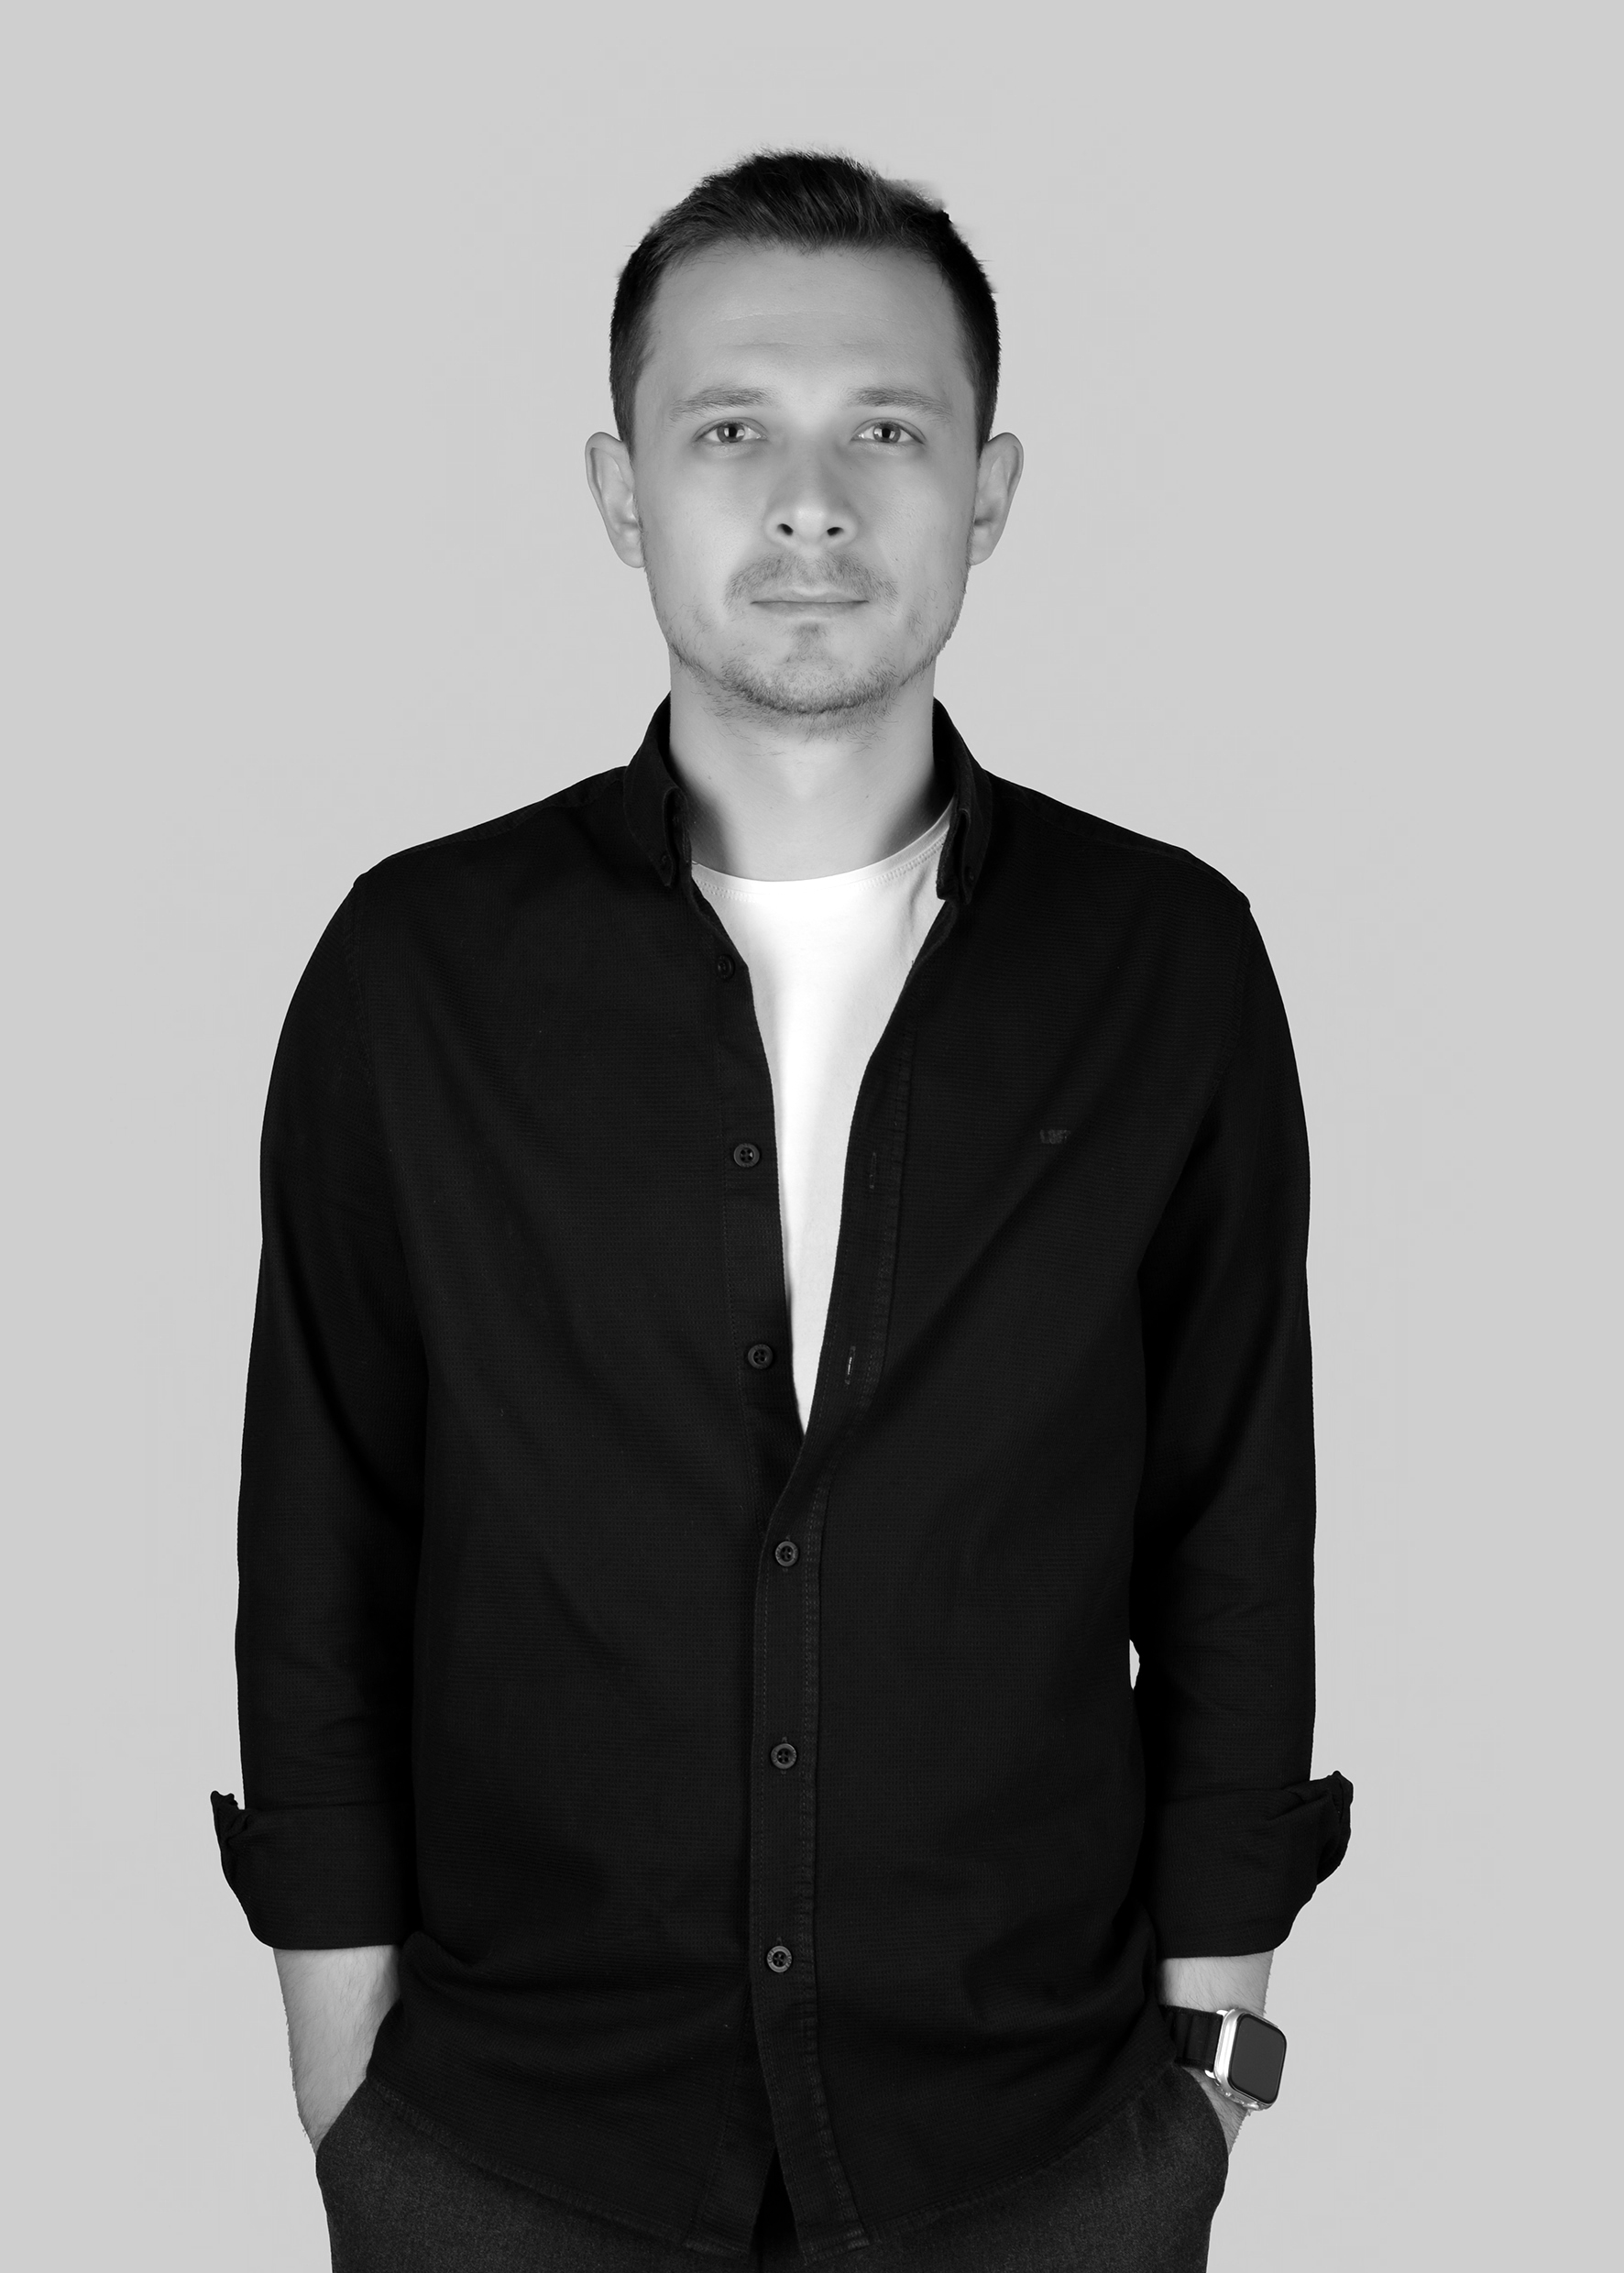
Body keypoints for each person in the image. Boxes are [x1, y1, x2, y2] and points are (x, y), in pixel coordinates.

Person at [212, 150, 1351, 2272]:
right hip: (504, 2139)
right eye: (730, 430)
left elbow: (1228, 1519)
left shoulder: (1165, 959)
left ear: (986, 492)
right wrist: (335, 2052)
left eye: (884, 432)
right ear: (621, 489)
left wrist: (1214, 2050)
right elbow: (327, 1518)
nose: (810, 504)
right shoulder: (414, 968)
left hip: (1041, 2141)